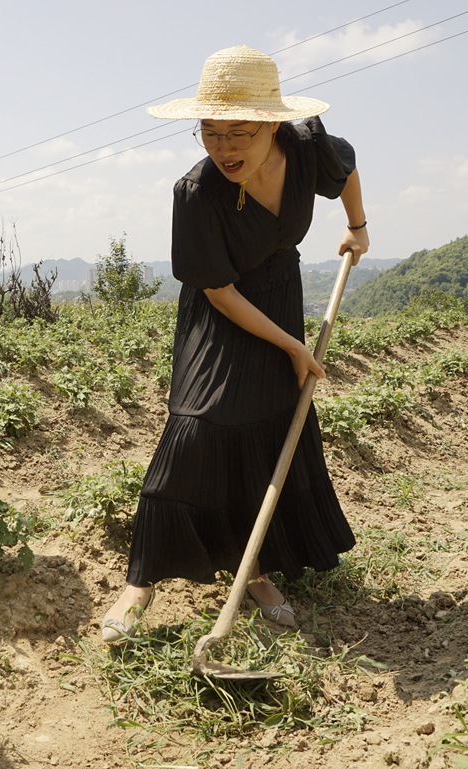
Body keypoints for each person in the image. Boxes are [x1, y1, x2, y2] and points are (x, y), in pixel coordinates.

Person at [100, 45, 368, 643]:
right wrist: (293, 348)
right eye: (210, 133)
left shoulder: (306, 146)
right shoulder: (197, 192)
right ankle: (140, 582)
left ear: (272, 126)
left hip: (279, 294)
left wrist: (358, 227)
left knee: (266, 429)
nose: (223, 149)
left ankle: (254, 571)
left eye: (238, 133)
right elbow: (217, 290)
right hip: (222, 311)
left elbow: (346, 169)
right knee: (194, 428)